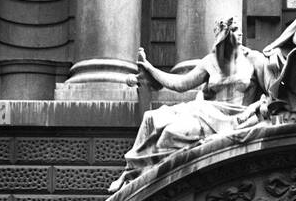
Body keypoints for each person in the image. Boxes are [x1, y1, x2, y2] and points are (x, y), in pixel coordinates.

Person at [112, 18, 272, 191]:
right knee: (152, 117)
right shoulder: (210, 62)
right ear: (222, 35)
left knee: (170, 133)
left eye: (239, 29)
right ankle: (132, 174)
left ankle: (156, 183)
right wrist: (150, 69)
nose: (240, 33)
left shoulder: (254, 59)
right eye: (234, 29)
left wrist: (258, 108)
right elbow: (180, 84)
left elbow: (274, 90)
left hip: (235, 118)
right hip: (207, 112)